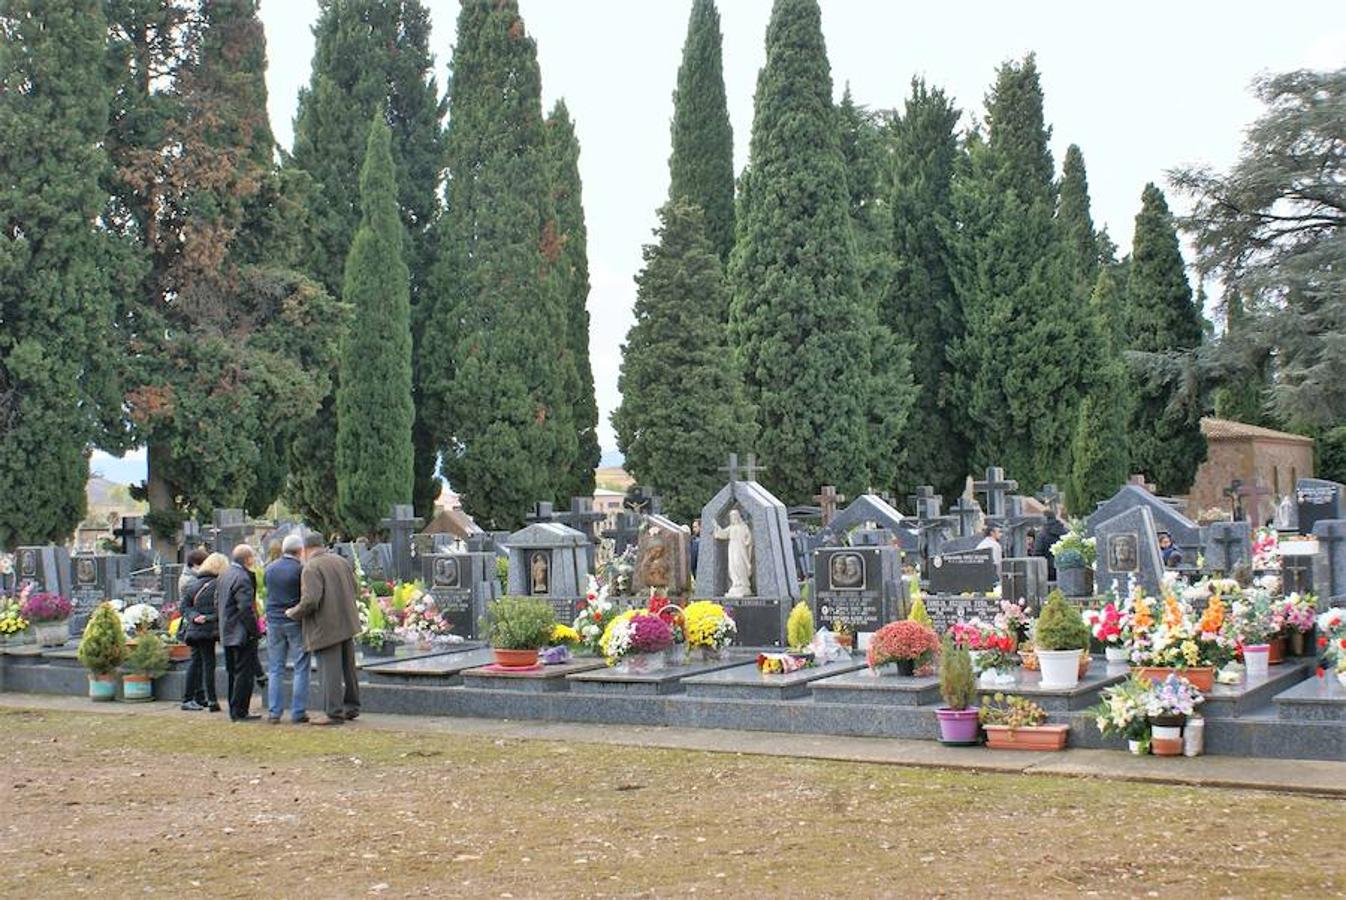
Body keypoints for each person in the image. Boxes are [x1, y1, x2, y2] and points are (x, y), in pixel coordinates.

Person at [286, 533, 361, 726]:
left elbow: (311, 600)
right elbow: (356, 587)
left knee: (329, 672)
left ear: (305, 549)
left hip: (325, 626)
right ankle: (351, 707)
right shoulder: (340, 561)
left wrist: (293, 613)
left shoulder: (311, 567)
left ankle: (334, 713)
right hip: (347, 621)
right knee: (348, 668)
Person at [263, 535, 310, 724]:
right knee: (301, 666)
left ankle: (274, 712)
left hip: (274, 621)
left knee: (275, 668)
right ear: (300, 551)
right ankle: (298, 712)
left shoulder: (270, 569)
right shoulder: (300, 569)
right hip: (294, 620)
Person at [217, 544, 262, 722]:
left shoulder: (225, 574)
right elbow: (245, 607)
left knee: (232, 673)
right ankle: (240, 711)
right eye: (253, 557)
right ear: (248, 559)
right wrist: (255, 630)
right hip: (241, 632)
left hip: (227, 630)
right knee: (244, 674)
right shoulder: (242, 577)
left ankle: (234, 709)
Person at [180, 552, 227, 712]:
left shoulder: (194, 583)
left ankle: (195, 698)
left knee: (196, 662)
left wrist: (194, 617)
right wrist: (208, 618)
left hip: (194, 629)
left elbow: (184, 606)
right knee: (208, 664)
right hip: (207, 630)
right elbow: (222, 609)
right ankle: (211, 699)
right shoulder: (218, 584)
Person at [1034, 510, 1069, 579]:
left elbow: (1038, 553)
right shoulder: (1066, 532)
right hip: (1065, 568)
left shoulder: (1041, 535)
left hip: (1048, 571)